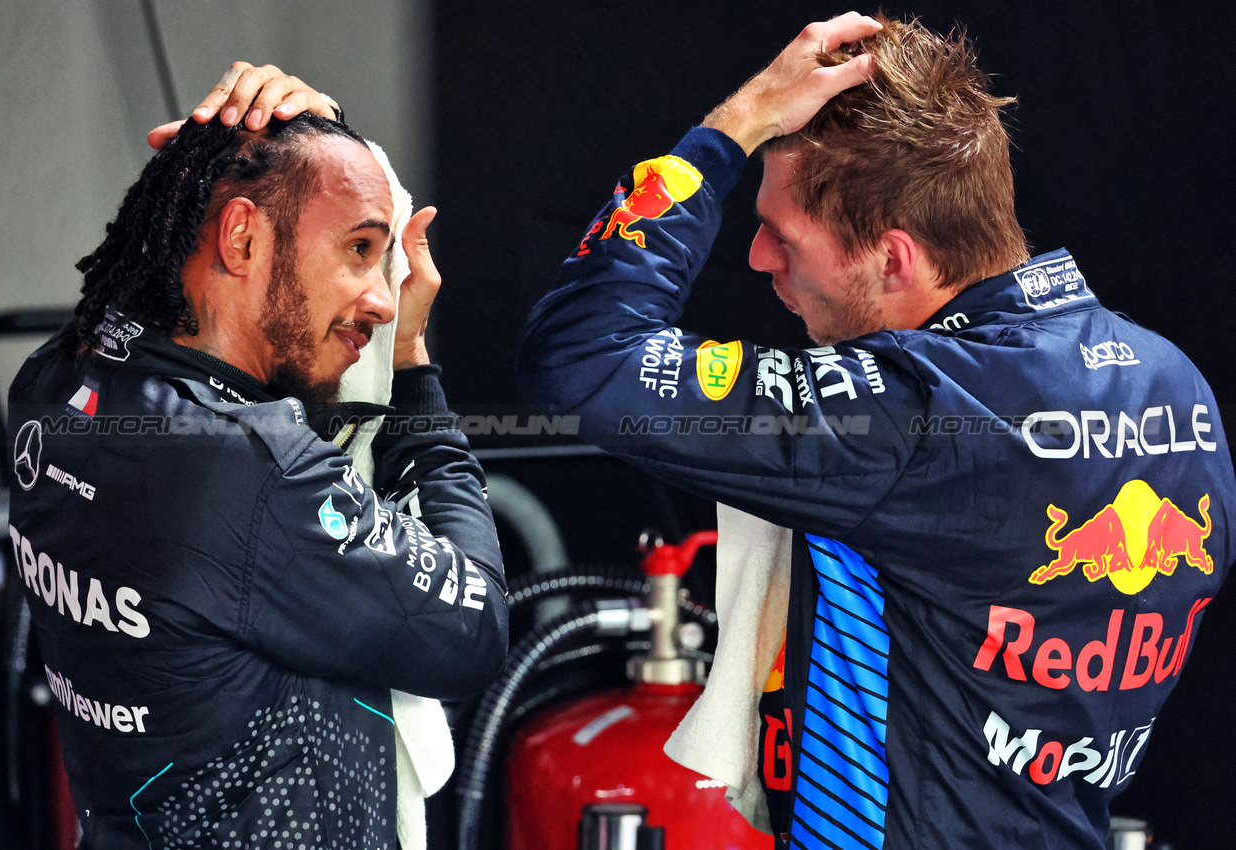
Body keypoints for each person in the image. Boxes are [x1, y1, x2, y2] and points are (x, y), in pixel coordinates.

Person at [517, 12, 1235, 849]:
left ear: (893, 259)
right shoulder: (1173, 382)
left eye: (782, 235)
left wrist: (734, 125)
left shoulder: (911, 411)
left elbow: (584, 354)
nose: (755, 258)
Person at [6, 67, 507, 849]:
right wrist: (413, 370)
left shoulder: (61, 372)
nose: (382, 297)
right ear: (242, 237)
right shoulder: (247, 467)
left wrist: (300, 145)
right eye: (360, 250)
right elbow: (472, 628)